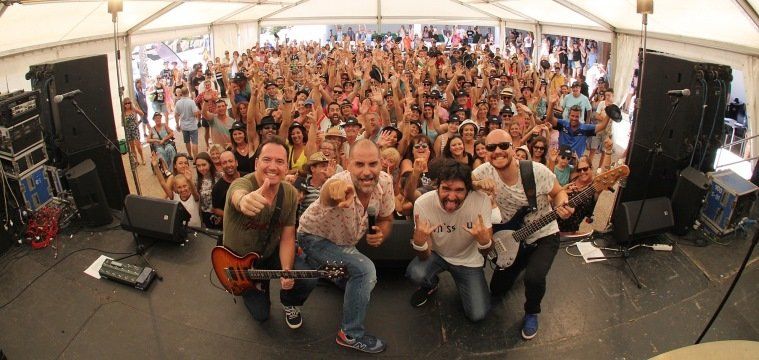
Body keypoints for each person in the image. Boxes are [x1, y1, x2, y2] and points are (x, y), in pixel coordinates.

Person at [472, 129, 574, 340]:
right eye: (491, 148)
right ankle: (523, 263)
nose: (497, 151)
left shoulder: (536, 171)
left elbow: (558, 192)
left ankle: (531, 312)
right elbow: (463, 181)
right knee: (497, 289)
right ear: (486, 152)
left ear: (513, 148)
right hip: (513, 239)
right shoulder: (484, 171)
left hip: (544, 235)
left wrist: (562, 204)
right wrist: (477, 184)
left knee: (534, 278)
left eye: (503, 146)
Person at [297, 139, 394, 354]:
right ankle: (350, 335)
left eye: (373, 164)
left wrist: (382, 234)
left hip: (343, 242)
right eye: (359, 164)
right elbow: (329, 193)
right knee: (366, 272)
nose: (367, 172)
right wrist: (334, 192)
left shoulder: (386, 183)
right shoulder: (339, 183)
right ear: (348, 163)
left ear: (381, 163)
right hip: (313, 238)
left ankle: (332, 273)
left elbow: (386, 219)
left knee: (365, 281)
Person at [224, 136, 317, 329]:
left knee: (306, 277)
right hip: (241, 264)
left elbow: (288, 236)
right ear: (256, 162)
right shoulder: (243, 184)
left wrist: (286, 270)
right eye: (267, 160)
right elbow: (237, 193)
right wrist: (243, 201)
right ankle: (255, 286)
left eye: (280, 161)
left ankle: (289, 301)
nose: (273, 166)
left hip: (270, 252)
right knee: (261, 315)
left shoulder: (289, 194)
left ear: (286, 167)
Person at [406, 158, 493, 322]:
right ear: (437, 186)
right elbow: (425, 256)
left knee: (478, 314)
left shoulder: (481, 201)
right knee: (415, 273)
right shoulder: (423, 204)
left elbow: (487, 251)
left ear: (468, 190)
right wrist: (419, 243)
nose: (451, 197)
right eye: (446, 188)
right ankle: (431, 285)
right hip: (438, 255)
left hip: (469, 261)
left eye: (459, 190)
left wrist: (484, 242)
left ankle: (466, 285)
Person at [547, 94, 610, 158]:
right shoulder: (563, 124)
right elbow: (549, 119)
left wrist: (609, 112)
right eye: (572, 116)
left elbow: (602, 126)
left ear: (580, 117)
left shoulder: (585, 128)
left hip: (576, 162)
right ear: (569, 115)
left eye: (577, 116)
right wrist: (551, 104)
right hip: (561, 159)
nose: (574, 118)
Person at [212, 151, 242, 228]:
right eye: (224, 163)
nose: (228, 165)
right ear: (221, 166)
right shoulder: (217, 188)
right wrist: (230, 215)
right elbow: (215, 209)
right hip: (231, 226)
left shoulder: (247, 178)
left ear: (236, 163)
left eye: (230, 161)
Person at [194, 152, 219, 228]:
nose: (201, 168)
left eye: (204, 165)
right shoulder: (197, 180)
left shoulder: (219, 176)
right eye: (198, 166)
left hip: (218, 214)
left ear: (210, 164)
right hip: (205, 215)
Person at [174, 87, 201, 160]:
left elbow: (176, 115)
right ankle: (196, 158)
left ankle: (190, 155)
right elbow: (195, 113)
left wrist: (177, 124)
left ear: (181, 93)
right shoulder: (191, 102)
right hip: (192, 125)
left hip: (184, 126)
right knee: (194, 142)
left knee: (187, 142)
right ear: (188, 92)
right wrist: (198, 119)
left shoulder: (178, 103)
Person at [122, 97, 145, 165]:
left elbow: (142, 114)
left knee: (138, 146)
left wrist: (139, 122)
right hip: (128, 130)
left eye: (129, 103)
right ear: (124, 104)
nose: (127, 104)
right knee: (132, 147)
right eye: (126, 103)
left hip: (135, 129)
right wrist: (126, 123)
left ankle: (142, 158)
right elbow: (122, 123)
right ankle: (136, 160)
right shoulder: (123, 113)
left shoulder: (134, 110)